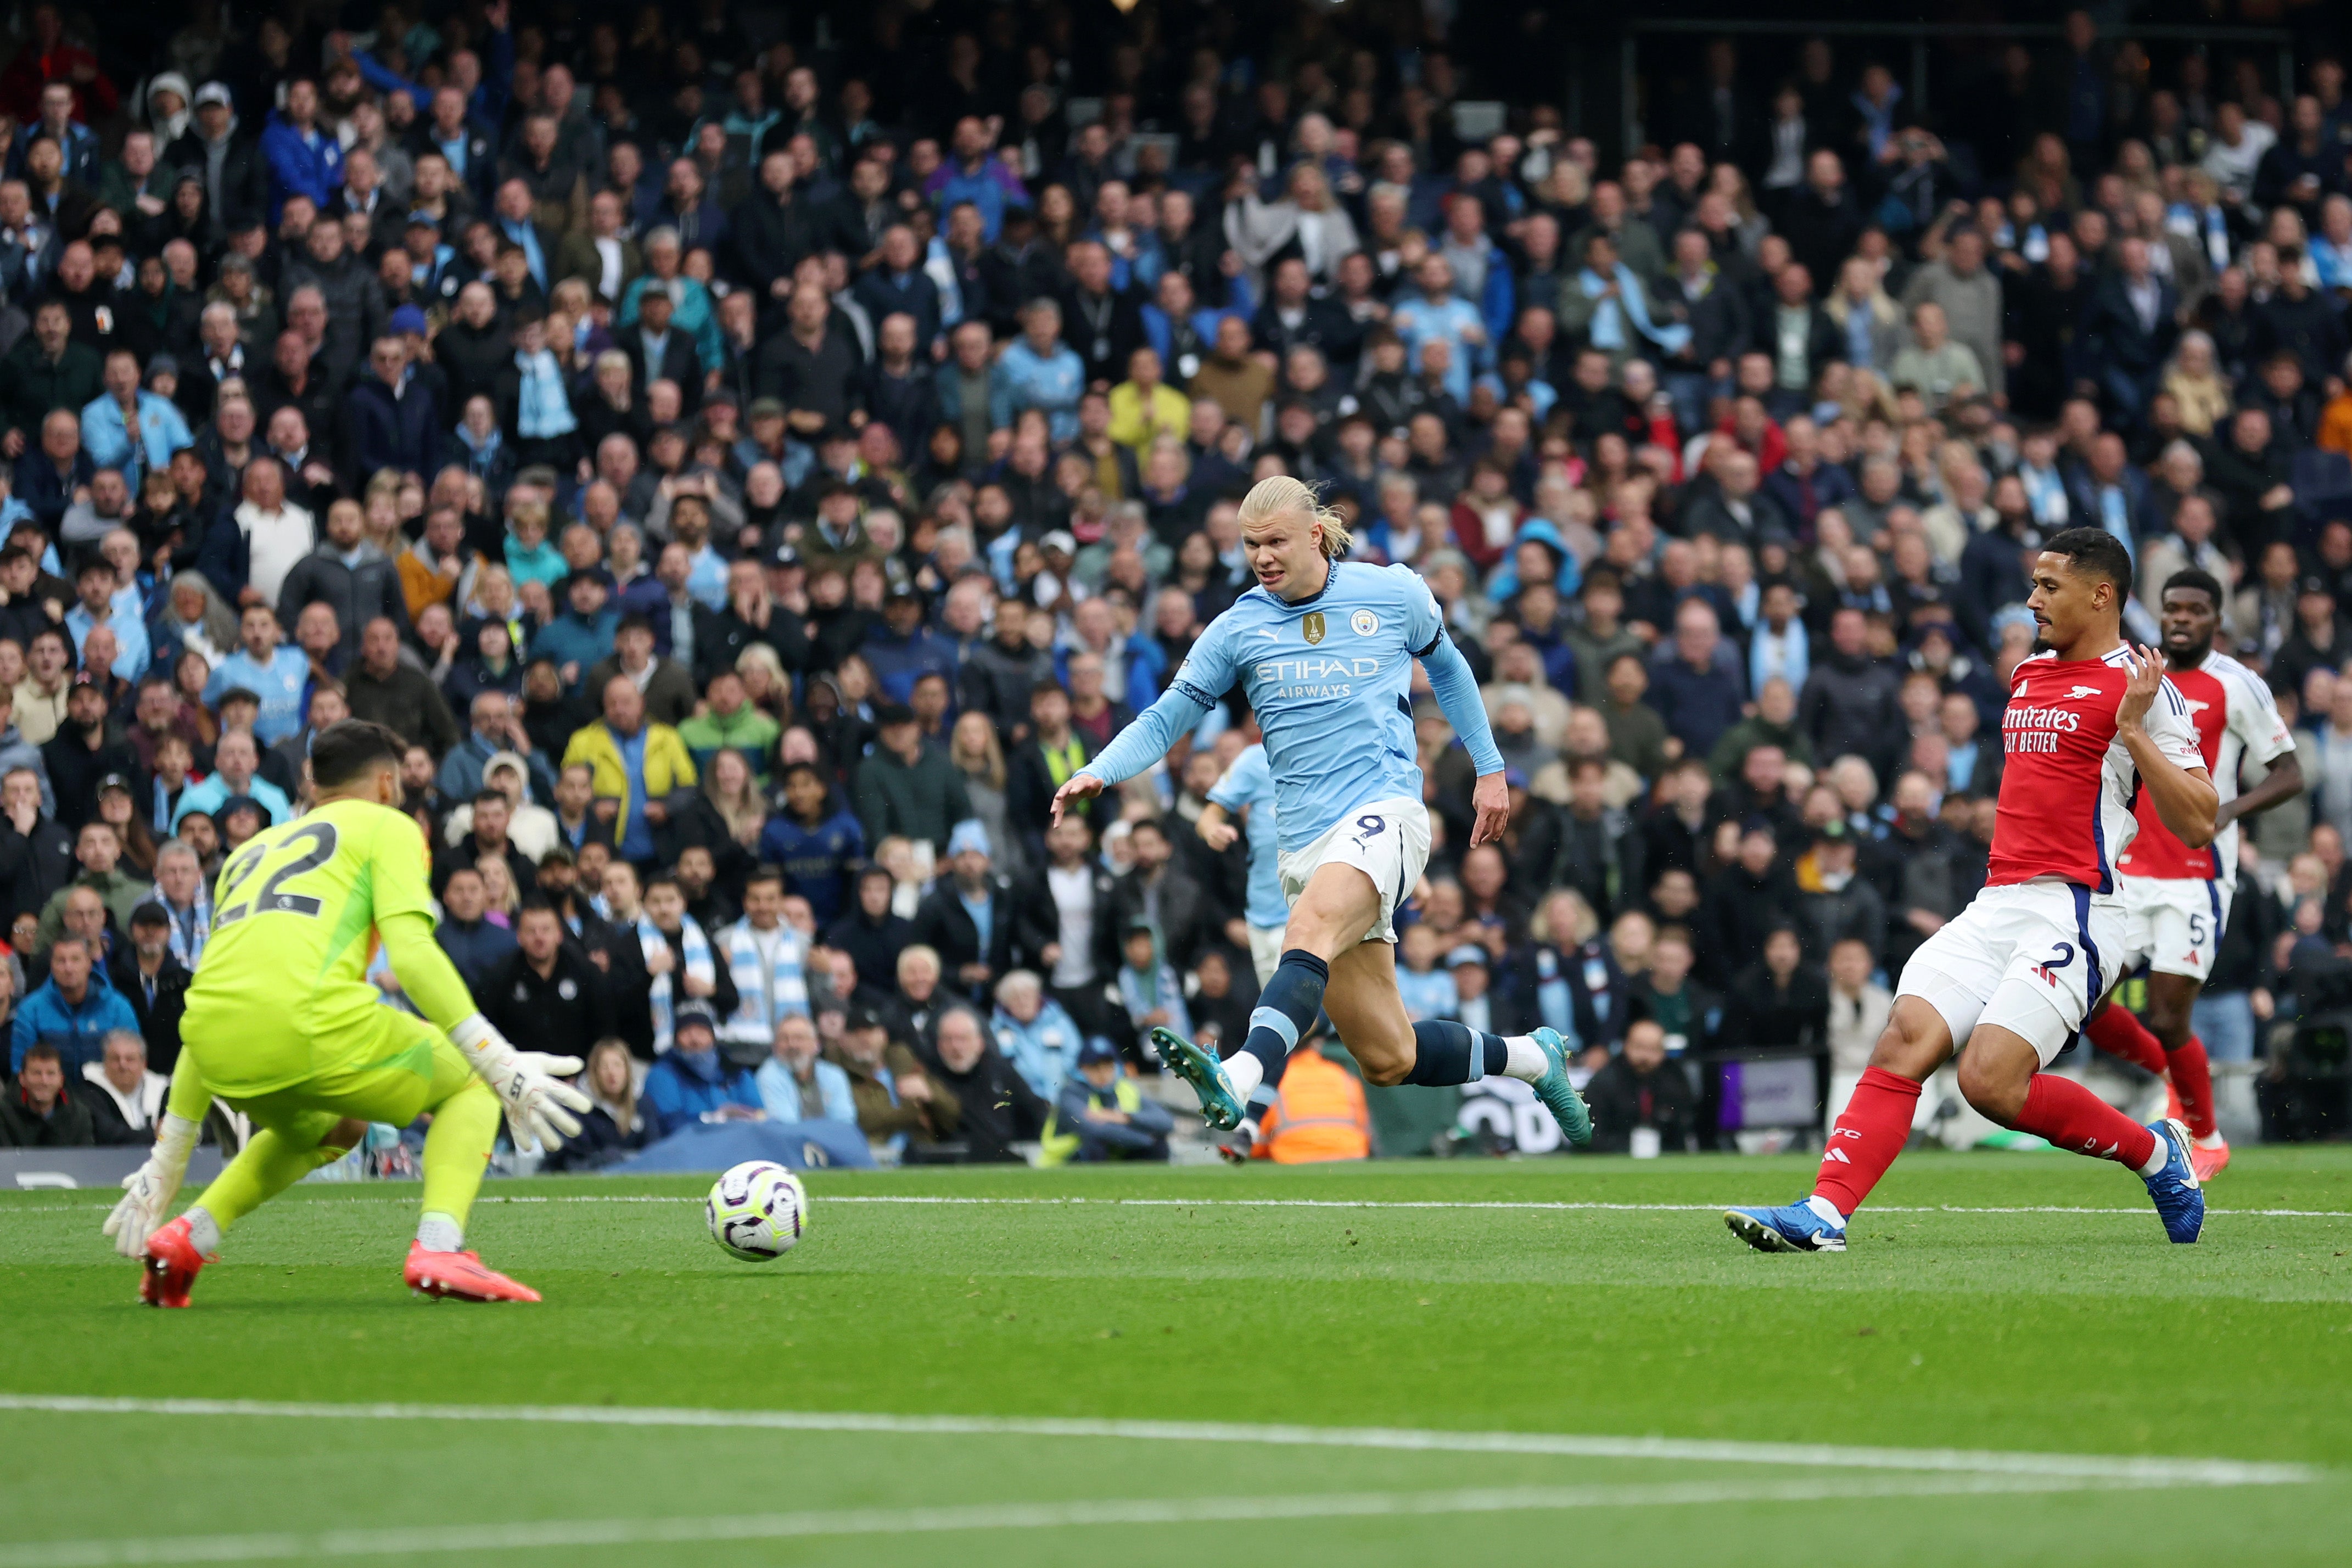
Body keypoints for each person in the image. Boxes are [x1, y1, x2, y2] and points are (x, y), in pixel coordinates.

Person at [1052, 475, 1589, 1147]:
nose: (1263, 557)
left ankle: (1240, 1076)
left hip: (1385, 813)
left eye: (1275, 541)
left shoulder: (1391, 592)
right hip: (1304, 845)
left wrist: (1490, 768)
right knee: (1389, 1057)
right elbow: (1166, 719)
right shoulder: (1239, 627)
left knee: (1304, 930)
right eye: (1251, 546)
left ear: (1315, 533)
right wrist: (1100, 769)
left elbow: (1448, 669)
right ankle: (1535, 1058)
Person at [1726, 530, 2217, 1254]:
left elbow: (2200, 819)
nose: (2033, 599)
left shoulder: (2144, 686)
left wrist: (2136, 733)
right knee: (1904, 1040)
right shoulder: (2028, 674)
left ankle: (2154, 1154)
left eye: (2050, 586)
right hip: (1997, 903)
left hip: (2077, 907)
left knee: (1988, 1082)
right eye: (2035, 584)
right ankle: (1824, 1215)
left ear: (2101, 594)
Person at [102, 720, 592, 1306]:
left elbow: (217, 996)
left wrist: (168, 1158)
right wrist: (497, 1057)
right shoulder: (390, 826)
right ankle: (440, 1245)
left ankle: (189, 1235)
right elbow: (411, 956)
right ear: (387, 783)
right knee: (473, 1083)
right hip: (309, 1024)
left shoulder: (249, 851)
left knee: (339, 1128)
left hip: (214, 1048)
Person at [2085, 569, 2301, 1182]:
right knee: (2086, 1001)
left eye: (2195, 610)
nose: (2181, 619)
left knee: (2169, 1016)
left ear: (2217, 619)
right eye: (2172, 608)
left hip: (2196, 873)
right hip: (2127, 871)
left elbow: (2288, 772)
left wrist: (2227, 809)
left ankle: (2206, 1135)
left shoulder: (2238, 685)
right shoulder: (2134, 675)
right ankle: (2172, 1074)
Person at [1199, 740, 1286, 985]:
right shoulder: (1252, 759)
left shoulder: (1327, 754)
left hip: (1303, 911)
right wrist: (1213, 831)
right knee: (1276, 1011)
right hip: (1259, 914)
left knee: (1295, 1006)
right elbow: (1207, 818)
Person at [639, 998, 762, 1137]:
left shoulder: (737, 1072)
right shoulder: (662, 1075)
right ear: (675, 1039)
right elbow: (671, 1127)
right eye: (686, 1031)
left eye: (701, 1031)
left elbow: (759, 1116)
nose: (694, 1039)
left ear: (713, 1037)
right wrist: (715, 1119)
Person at [1041, 1036, 1173, 1164]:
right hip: (1060, 1165)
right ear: (1082, 1068)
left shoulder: (1124, 1088)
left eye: (1108, 1066)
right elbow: (1095, 1130)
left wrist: (1124, 1117)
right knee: (1094, 1144)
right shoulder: (1070, 1093)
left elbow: (1166, 1121)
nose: (1103, 1073)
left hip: (1113, 1152)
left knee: (1159, 1146)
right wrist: (1147, 1139)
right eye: (1095, 1067)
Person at [1581, 1019, 1696, 1154]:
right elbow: (1591, 1134)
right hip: (1614, 1155)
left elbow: (1683, 1130)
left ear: (1663, 1052)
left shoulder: (1676, 1079)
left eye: (1653, 1049)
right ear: (1625, 1046)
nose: (1645, 1057)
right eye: (1639, 1047)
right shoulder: (1604, 1081)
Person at [755, 1012, 855, 1124]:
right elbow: (785, 1126)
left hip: (831, 1140)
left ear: (816, 1044)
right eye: (784, 1039)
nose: (792, 1044)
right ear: (774, 1046)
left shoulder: (834, 1075)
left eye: (799, 1038)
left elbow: (845, 1123)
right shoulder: (769, 1075)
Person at [81, 1026, 168, 1145]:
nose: (123, 1065)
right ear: (105, 1063)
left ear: (144, 1064)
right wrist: (154, 1135)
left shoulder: (163, 1090)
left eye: (130, 1059)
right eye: (115, 1059)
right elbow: (108, 1135)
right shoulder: (90, 1092)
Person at [1, 1040, 93, 1146]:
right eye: (37, 1073)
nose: (44, 1081)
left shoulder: (79, 1115)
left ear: (61, 1079)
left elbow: (85, 1160)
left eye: (51, 1074)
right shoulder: (4, 1114)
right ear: (22, 1078)